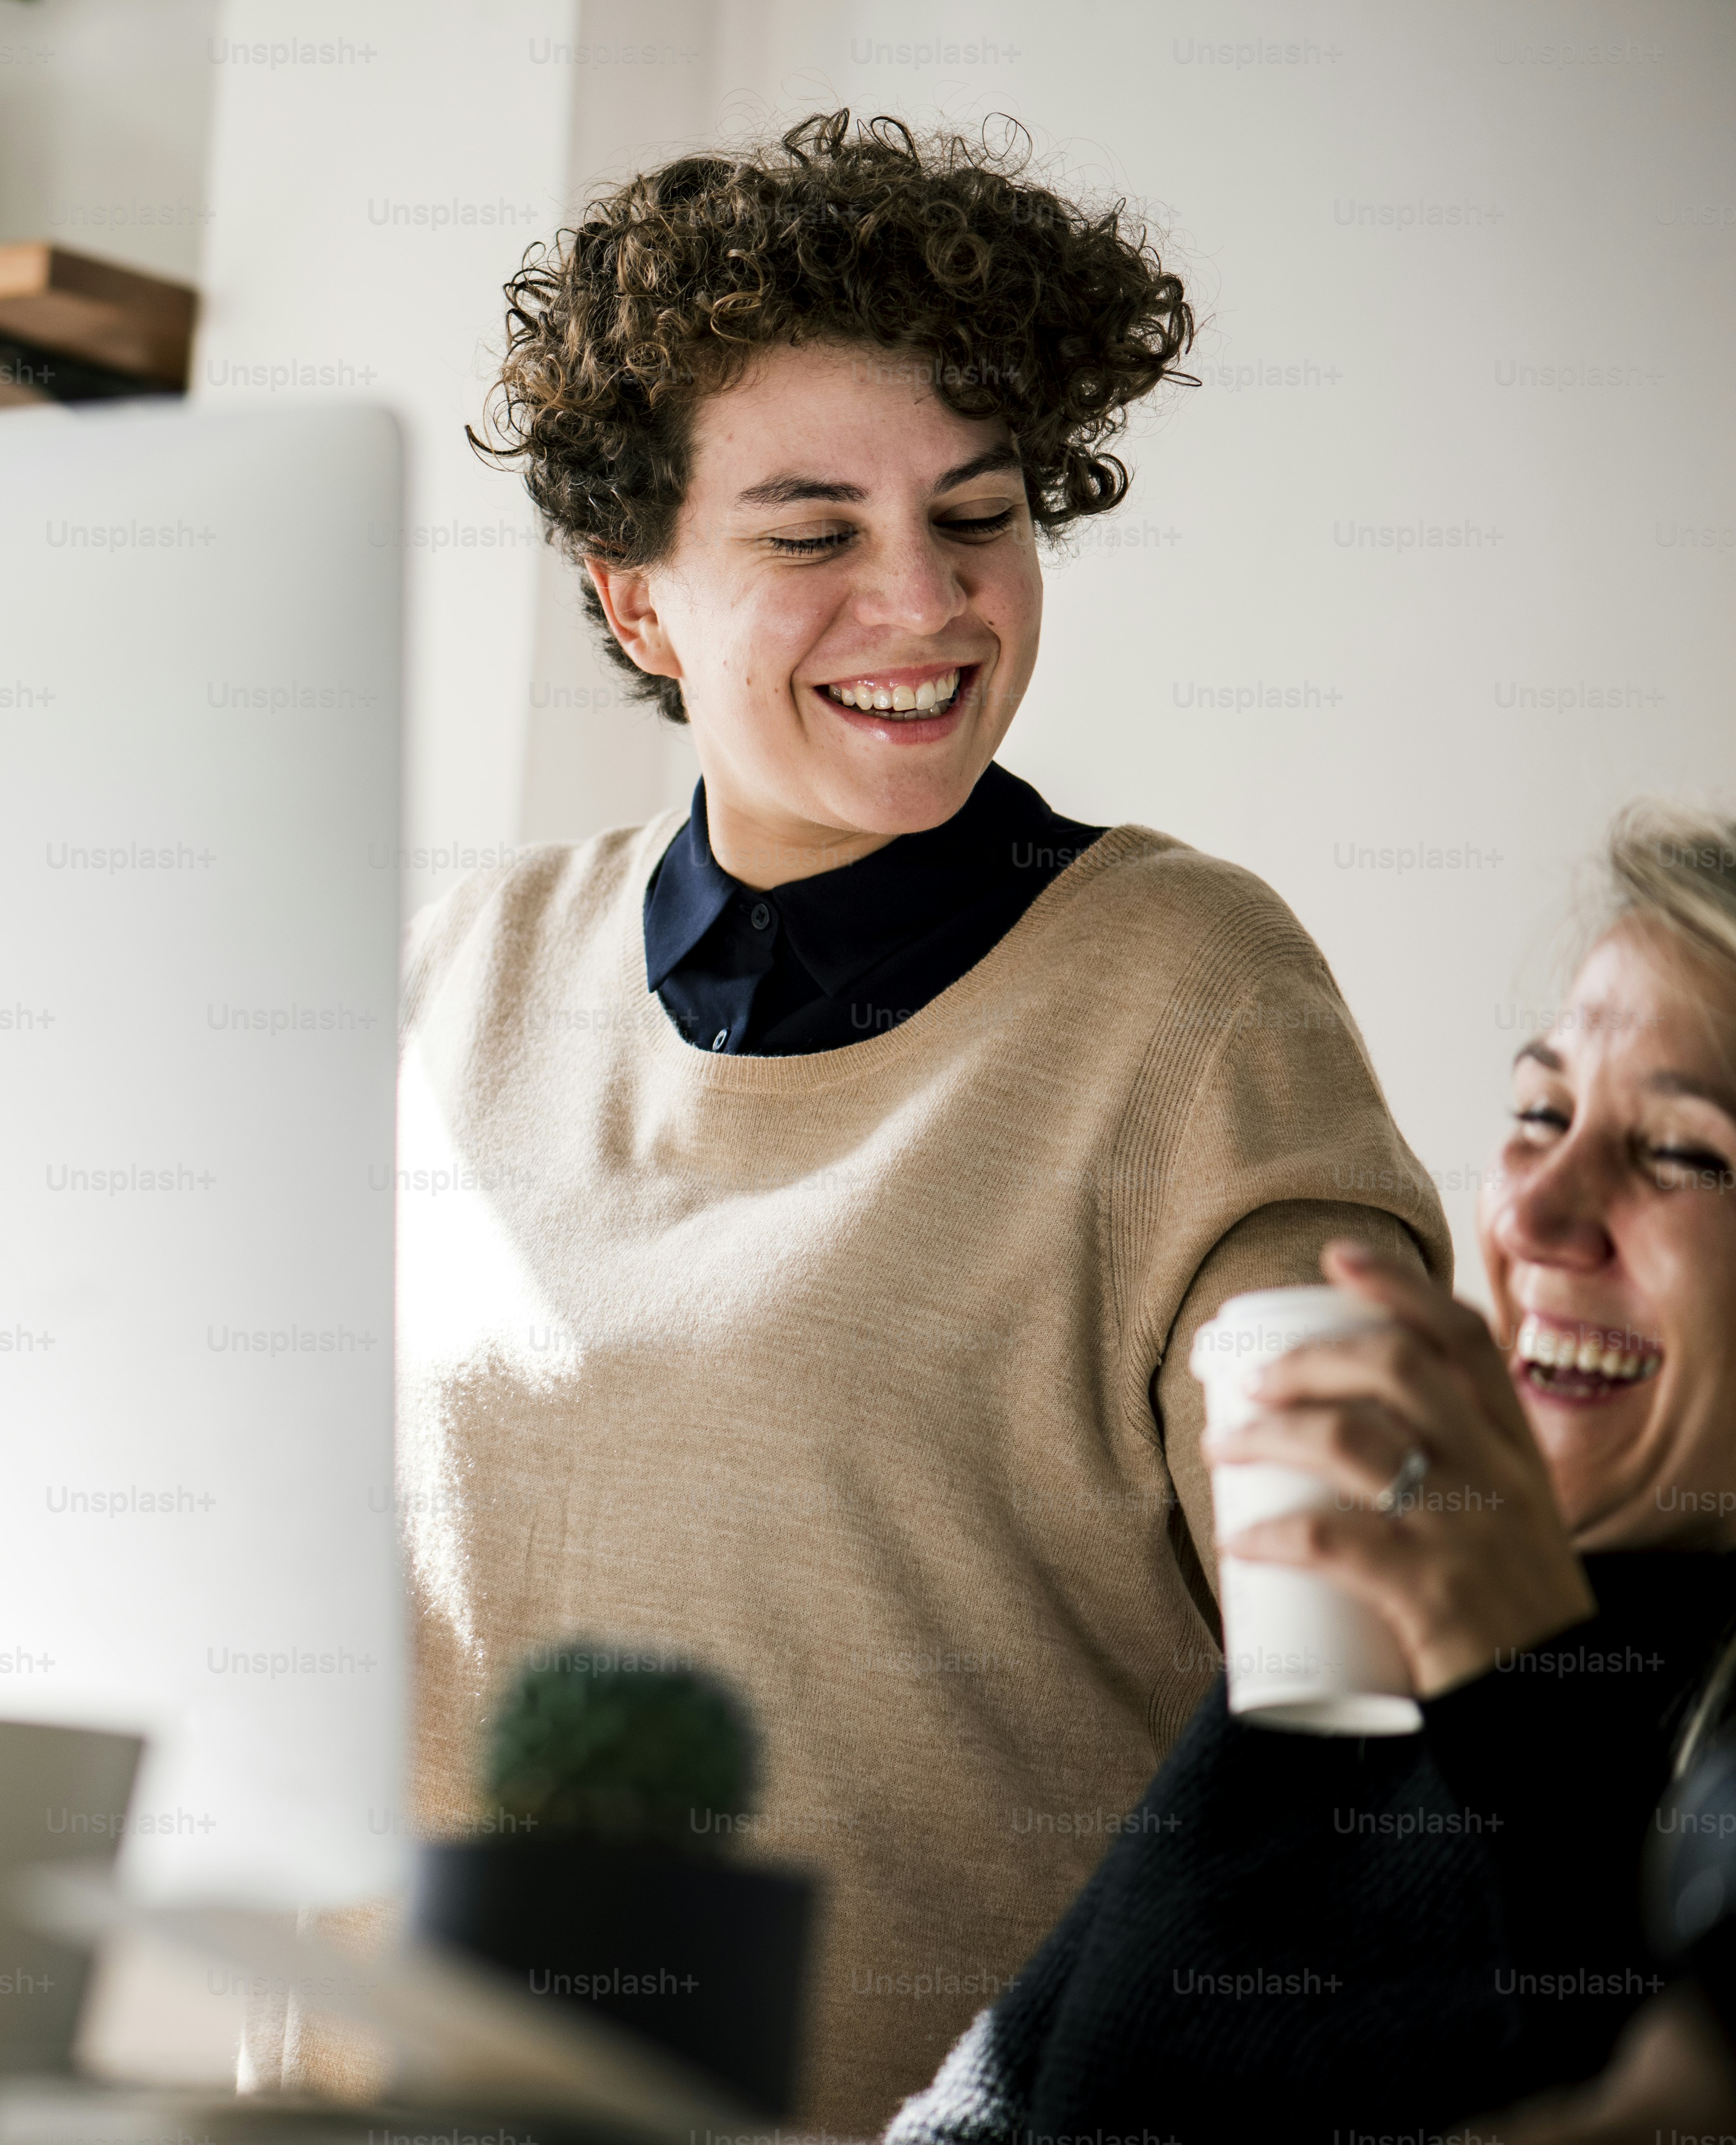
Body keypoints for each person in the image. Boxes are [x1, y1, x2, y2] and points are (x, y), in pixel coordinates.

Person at [403, 111, 1450, 2127]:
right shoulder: (464, 976)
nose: (924, 602)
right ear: (633, 601)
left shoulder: (1189, 986)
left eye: (974, 515)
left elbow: (1375, 1656)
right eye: (809, 536)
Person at [886, 804, 1736, 2139]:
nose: (1527, 1213)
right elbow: (1002, 2092)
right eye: (1537, 1112)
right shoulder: (1356, 1602)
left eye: (1681, 1151)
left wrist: (1515, 1680)